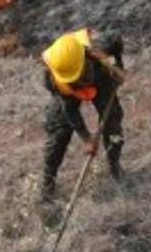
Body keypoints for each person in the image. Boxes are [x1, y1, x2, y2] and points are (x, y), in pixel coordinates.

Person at [40, 27, 125, 202]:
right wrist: (86, 138)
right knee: (58, 130)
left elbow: (116, 40)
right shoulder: (55, 78)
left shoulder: (101, 44)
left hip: (100, 76)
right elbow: (70, 109)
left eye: (78, 76)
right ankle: (47, 184)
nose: (77, 82)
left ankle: (115, 167)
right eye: (72, 79)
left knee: (113, 120)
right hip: (67, 94)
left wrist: (118, 67)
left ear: (86, 56)